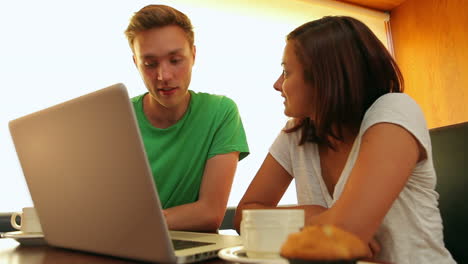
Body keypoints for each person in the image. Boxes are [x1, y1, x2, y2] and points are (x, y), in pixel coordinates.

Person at [234, 16, 454, 263]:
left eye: (286, 72)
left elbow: (345, 232)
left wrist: (330, 227)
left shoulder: (396, 109)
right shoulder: (295, 133)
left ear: (325, 78)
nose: (277, 84)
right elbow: (243, 216)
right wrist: (317, 215)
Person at [124, 4, 249, 232]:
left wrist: (134, 224)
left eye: (175, 60)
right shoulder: (118, 118)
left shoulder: (220, 112)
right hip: (125, 244)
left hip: (184, 244)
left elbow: (210, 213)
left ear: (193, 54)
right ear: (136, 63)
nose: (164, 76)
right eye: (150, 64)